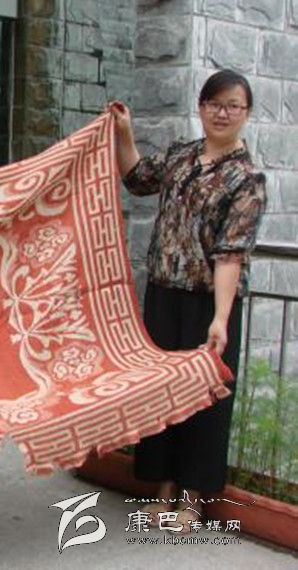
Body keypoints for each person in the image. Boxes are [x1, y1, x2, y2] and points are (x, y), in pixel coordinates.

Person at [107, 70, 266, 533]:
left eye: (232, 106)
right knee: (163, 392)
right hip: (164, 294)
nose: (222, 113)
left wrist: (221, 318)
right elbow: (136, 178)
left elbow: (230, 254)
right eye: (214, 103)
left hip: (208, 302)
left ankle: (192, 501)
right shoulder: (181, 155)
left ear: (246, 114)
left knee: (204, 400)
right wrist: (124, 132)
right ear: (200, 107)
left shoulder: (247, 178)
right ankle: (162, 491)